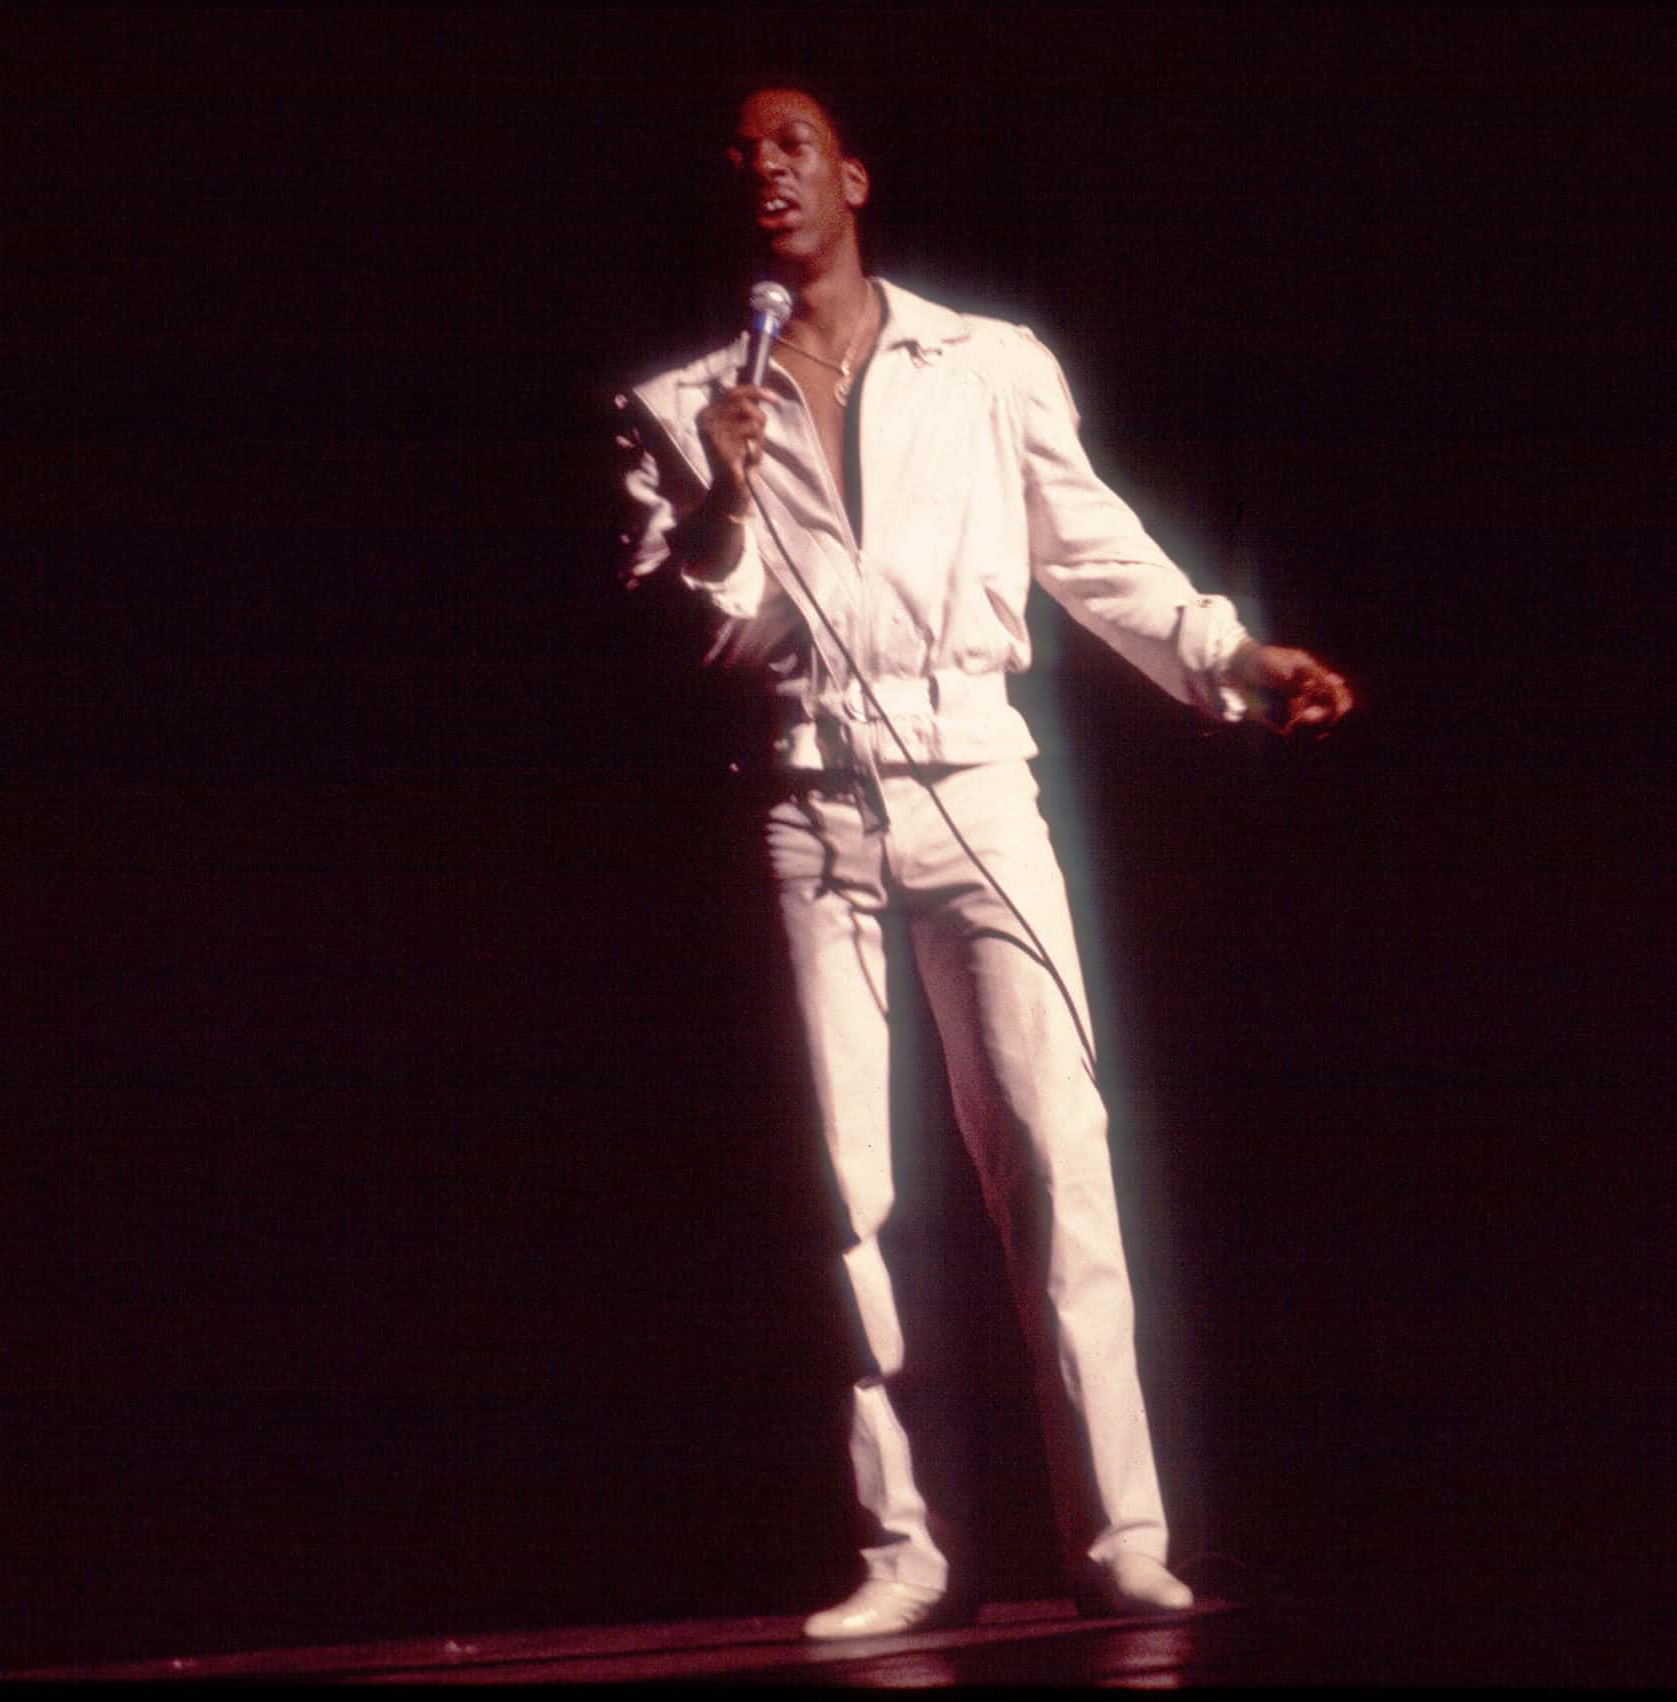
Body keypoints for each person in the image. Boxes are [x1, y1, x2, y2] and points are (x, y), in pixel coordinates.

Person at [609, 84, 1355, 1640]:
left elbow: (1092, 549)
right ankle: (906, 1547)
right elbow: (697, 640)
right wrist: (723, 498)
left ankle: (1120, 1537)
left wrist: (1229, 658)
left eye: (794, 146)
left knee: (1056, 1150)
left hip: (978, 789)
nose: (767, 171)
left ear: (852, 176)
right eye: (740, 156)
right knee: (850, 1184)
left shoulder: (987, 362)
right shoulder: (676, 406)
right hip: (805, 802)